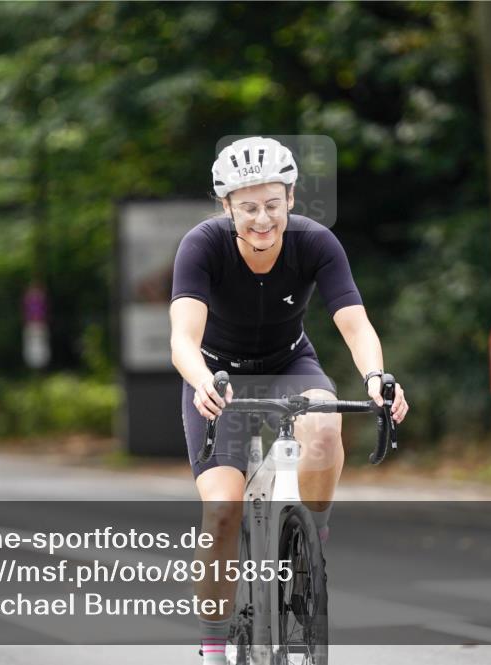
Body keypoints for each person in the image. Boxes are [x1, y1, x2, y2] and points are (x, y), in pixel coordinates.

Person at [169, 136, 407, 664]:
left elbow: (354, 322)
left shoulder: (316, 242)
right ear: (226, 205)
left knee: (324, 429)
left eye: (272, 205)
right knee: (222, 512)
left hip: (288, 365)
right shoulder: (202, 245)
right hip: (219, 377)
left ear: (291, 198)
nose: (262, 219)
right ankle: (211, 646)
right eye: (248, 207)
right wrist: (203, 379)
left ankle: (312, 536)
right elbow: (183, 337)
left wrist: (375, 376)